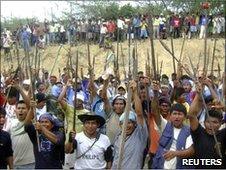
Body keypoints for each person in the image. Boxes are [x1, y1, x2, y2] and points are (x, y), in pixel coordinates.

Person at [151, 81, 194, 169]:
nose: (177, 117)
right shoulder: (165, 125)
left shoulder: (189, 131)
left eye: (180, 114)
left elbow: (190, 151)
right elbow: (155, 112)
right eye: (174, 114)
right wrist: (155, 93)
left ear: (185, 117)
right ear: (170, 115)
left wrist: (175, 153)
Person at [188, 81, 226, 168]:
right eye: (208, 122)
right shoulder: (199, 133)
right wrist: (198, 94)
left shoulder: (223, 134)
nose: (211, 125)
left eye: (215, 122)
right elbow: (191, 115)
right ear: (204, 123)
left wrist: (224, 107)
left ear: (221, 124)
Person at [111, 80, 148, 169]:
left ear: (135, 124)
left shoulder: (139, 135)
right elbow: (116, 159)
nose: (126, 126)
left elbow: (139, 114)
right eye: (123, 123)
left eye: (129, 123)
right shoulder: (118, 137)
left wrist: (135, 92)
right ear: (120, 125)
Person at [6, 100, 35, 169]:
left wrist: (32, 108)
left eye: (23, 108)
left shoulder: (32, 123)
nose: (20, 110)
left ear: (28, 111)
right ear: (15, 110)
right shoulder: (10, 124)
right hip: (14, 164)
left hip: (29, 164)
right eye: (18, 108)